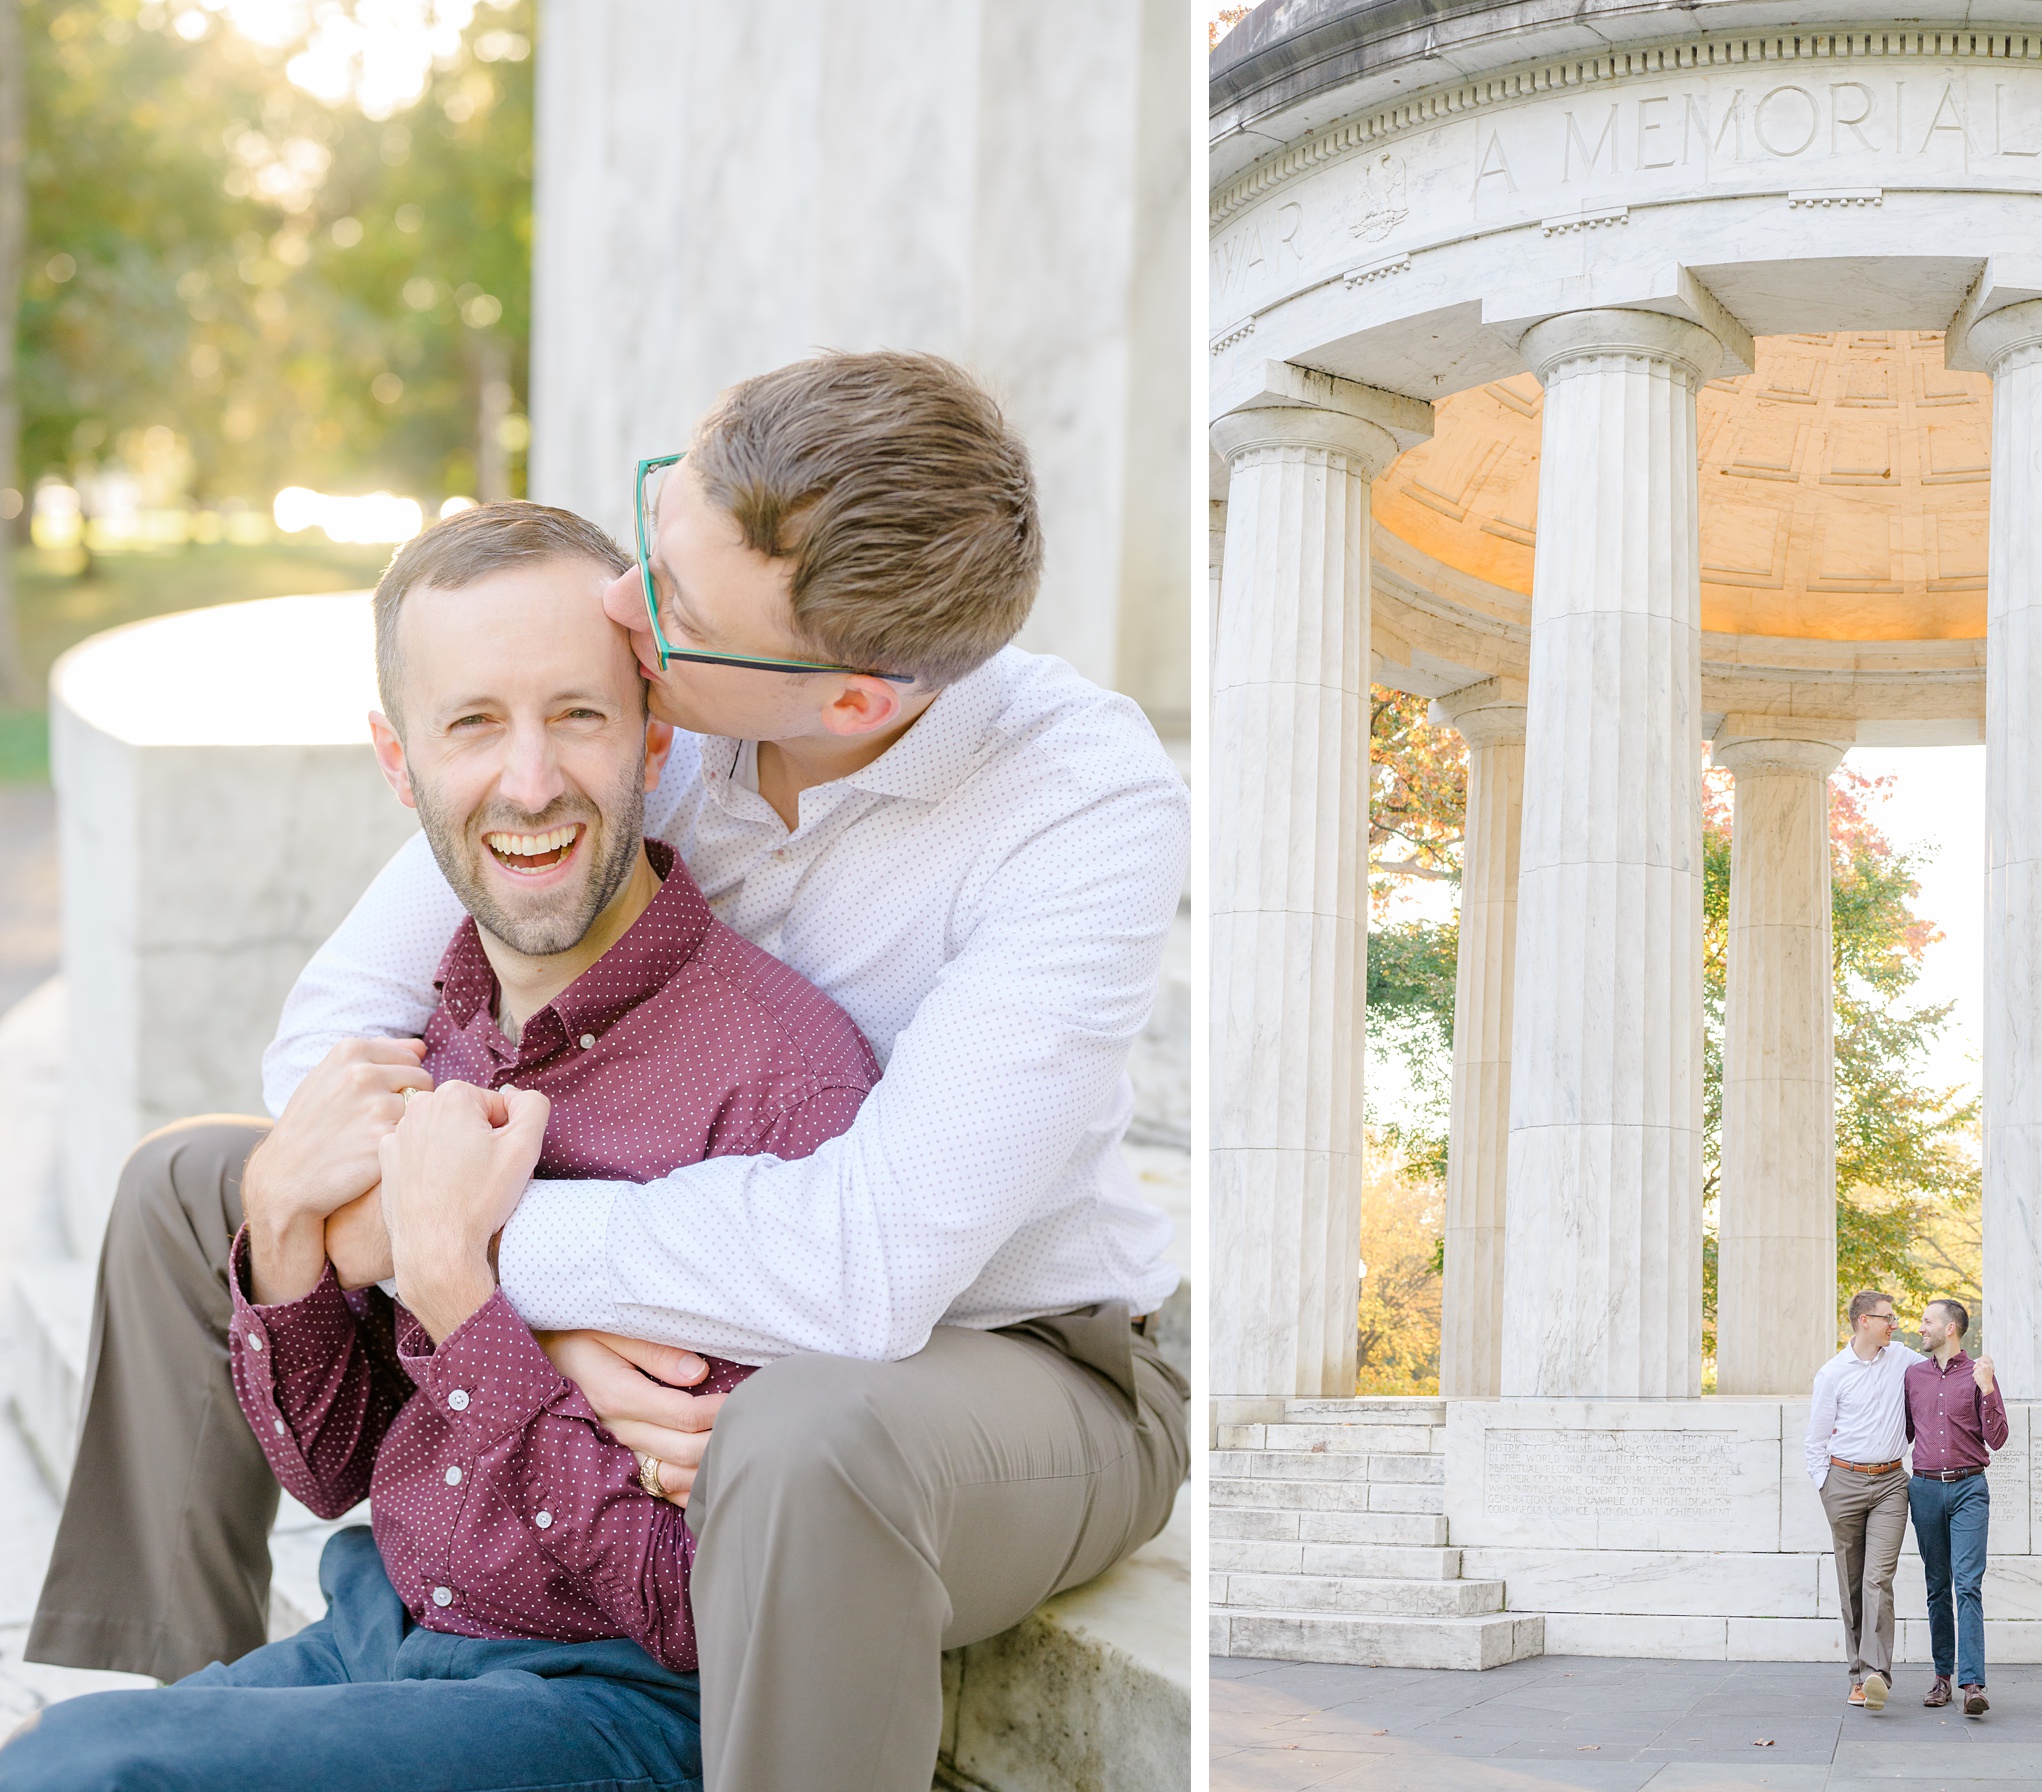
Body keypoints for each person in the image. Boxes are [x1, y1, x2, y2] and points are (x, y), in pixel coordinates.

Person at [27, 353, 1190, 1792]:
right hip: (665, 1235)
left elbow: (871, 1266)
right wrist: (509, 1319)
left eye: (680, 610)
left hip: (1004, 1351)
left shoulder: (1080, 806)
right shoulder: (646, 697)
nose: (628, 608)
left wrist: (470, 1264)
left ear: (847, 702)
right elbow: (335, 1026)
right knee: (208, 1184)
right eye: (658, 537)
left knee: (810, 1437)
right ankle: (194, 1693)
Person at [3, 499, 895, 1788]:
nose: (529, 781)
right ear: (397, 759)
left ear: (655, 744)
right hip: (383, 1627)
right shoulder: (434, 1033)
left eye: (577, 714)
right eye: (473, 722)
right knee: (54, 1757)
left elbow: (703, 1604)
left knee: (82, 1774)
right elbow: (335, 1469)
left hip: (603, 1706)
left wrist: (462, 1298)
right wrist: (289, 1236)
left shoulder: (782, 1088)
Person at [1805, 1288, 1924, 1711]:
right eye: (1887, 1317)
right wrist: (1826, 1487)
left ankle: (1877, 1674)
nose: (1894, 1324)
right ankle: (1857, 1676)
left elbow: (1943, 1368)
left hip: (1892, 1483)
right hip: (1844, 1483)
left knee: (1878, 1579)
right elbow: (1815, 1441)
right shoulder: (1832, 1374)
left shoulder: (1905, 1360)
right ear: (1863, 1321)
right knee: (1852, 1583)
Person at [1905, 1297, 2007, 1718]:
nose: (1921, 1327)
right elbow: (1904, 1430)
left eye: (1928, 1321)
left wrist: (1987, 1390)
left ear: (1950, 1328)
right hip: (1925, 1490)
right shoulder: (1913, 1376)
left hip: (1969, 1490)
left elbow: (1998, 1439)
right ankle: (1942, 1678)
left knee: (1967, 1585)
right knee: (1936, 1587)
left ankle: (1973, 1684)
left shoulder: (1979, 1374)